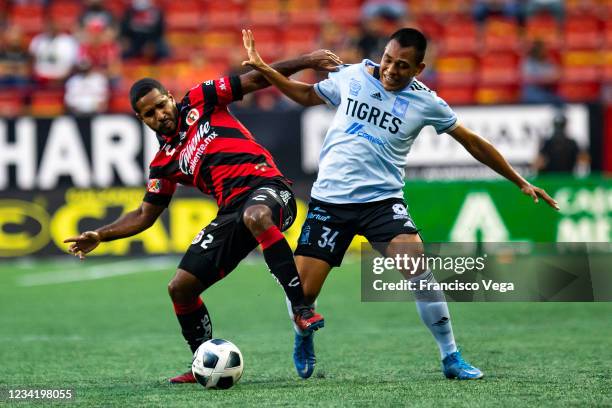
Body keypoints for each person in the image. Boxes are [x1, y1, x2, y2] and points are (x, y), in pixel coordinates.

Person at [241, 28, 559, 380]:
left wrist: (519, 180)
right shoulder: (353, 75)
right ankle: (303, 335)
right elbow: (305, 95)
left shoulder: (427, 102)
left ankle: (450, 356)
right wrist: (266, 69)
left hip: (382, 202)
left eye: (402, 66)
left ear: (419, 69)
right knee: (302, 292)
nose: (391, 70)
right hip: (330, 201)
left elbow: (472, 142)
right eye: (388, 60)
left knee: (419, 270)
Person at [64, 49, 342, 383]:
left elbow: (255, 79)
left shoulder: (200, 99)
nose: (160, 115)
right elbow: (144, 215)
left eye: (161, 105)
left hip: (270, 189)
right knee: (180, 287)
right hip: (231, 214)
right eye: (149, 113)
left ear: (170, 97)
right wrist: (101, 235)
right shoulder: (163, 162)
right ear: (142, 119)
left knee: (255, 214)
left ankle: (301, 310)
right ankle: (202, 360)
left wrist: (307, 59)